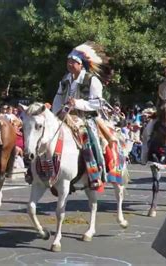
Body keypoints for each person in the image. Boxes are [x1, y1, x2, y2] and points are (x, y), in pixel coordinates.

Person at [51, 41, 112, 189]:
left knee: (87, 140)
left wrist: (77, 103)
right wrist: (53, 115)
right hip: (65, 117)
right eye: (68, 61)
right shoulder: (65, 80)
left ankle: (95, 174)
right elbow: (58, 99)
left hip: (86, 118)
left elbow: (97, 103)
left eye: (73, 61)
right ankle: (43, 172)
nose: (69, 64)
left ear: (81, 65)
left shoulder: (92, 80)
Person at [141, 57, 166, 164]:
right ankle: (145, 155)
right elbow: (159, 101)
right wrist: (154, 111)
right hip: (164, 112)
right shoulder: (162, 86)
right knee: (148, 129)